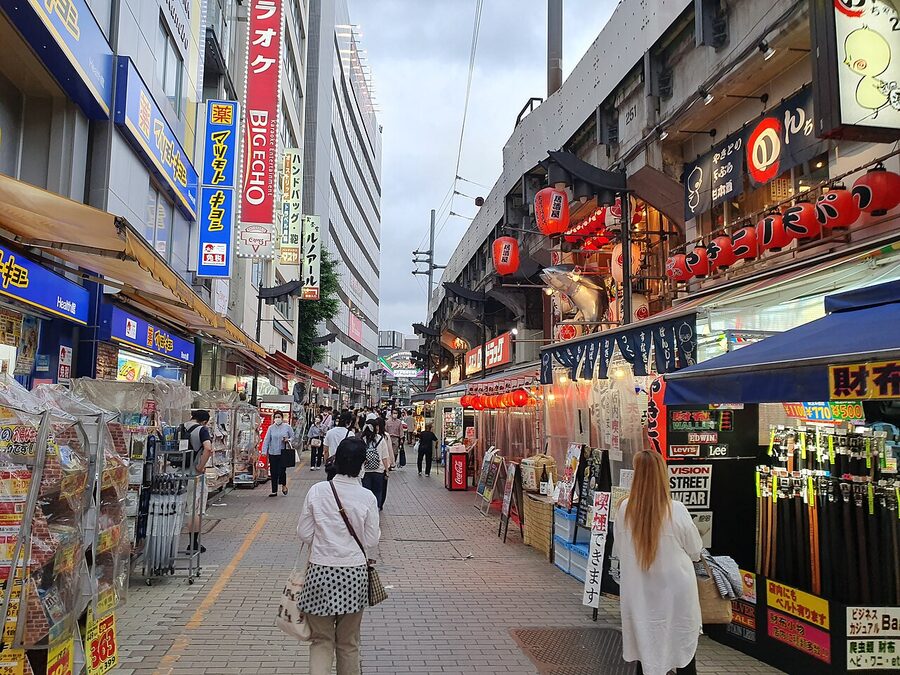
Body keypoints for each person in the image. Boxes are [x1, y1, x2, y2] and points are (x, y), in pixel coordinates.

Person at [297, 437, 380, 675]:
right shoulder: (367, 497)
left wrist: (325, 541)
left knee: (321, 640)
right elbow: (372, 540)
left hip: (320, 572)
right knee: (348, 643)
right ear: (362, 464)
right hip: (354, 574)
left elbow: (304, 532)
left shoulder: (317, 491)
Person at [615, 450, 703, 675]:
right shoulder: (677, 510)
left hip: (640, 594)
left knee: (646, 651)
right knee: (683, 653)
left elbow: (619, 549)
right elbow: (695, 550)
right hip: (677, 595)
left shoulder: (624, 509)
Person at [180, 410, 213, 553]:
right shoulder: (202, 430)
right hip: (195, 474)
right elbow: (208, 448)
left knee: (185, 509)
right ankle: (193, 544)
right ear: (204, 421)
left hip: (179, 472)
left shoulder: (180, 427)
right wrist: (200, 466)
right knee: (195, 510)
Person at [359, 415, 391, 509]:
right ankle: (376, 509)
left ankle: (366, 508)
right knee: (378, 491)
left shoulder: (362, 439)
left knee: (366, 491)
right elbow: (385, 457)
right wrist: (387, 470)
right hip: (379, 470)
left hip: (365, 470)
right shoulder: (380, 439)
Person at [262, 412, 294, 496]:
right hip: (272, 452)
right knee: (273, 471)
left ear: (282, 418)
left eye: (279, 417)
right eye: (276, 417)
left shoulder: (287, 427)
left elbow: (292, 437)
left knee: (282, 471)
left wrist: (288, 440)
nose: (277, 418)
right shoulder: (271, 428)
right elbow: (266, 440)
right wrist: (264, 451)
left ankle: (283, 485)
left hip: (283, 452)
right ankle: (274, 490)